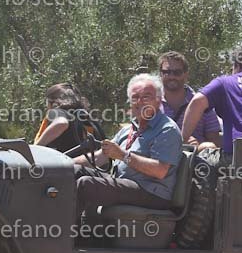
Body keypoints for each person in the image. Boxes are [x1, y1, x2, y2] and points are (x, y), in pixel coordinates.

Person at [73, 73, 182, 214]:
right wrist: (62, 162)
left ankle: (65, 227)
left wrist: (123, 156)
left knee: (86, 184)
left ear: (158, 100)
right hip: (125, 183)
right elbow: (100, 156)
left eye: (146, 97)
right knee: (72, 171)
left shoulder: (167, 129)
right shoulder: (128, 129)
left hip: (152, 192)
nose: (140, 102)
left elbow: (160, 171)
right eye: (135, 98)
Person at [158, 51, 222, 148]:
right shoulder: (152, 103)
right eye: (166, 72)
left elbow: (215, 143)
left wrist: (198, 146)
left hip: (193, 156)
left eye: (177, 72)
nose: (172, 76)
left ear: (186, 74)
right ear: (160, 74)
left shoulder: (201, 103)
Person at [34, 83, 91, 152]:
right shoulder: (86, 120)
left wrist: (36, 148)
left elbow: (61, 123)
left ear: (54, 102)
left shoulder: (57, 112)